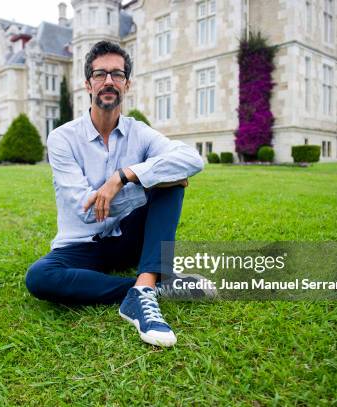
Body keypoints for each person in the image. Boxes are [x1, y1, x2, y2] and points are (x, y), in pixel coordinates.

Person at [25, 41, 210, 347]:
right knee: (40, 277)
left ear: (127, 84)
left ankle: (145, 285)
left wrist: (124, 177)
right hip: (81, 246)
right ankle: (146, 287)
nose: (109, 81)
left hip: (128, 239)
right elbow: (86, 209)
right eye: (100, 74)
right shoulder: (62, 139)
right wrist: (148, 182)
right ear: (88, 84)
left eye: (117, 74)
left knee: (173, 180)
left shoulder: (139, 131)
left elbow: (192, 159)